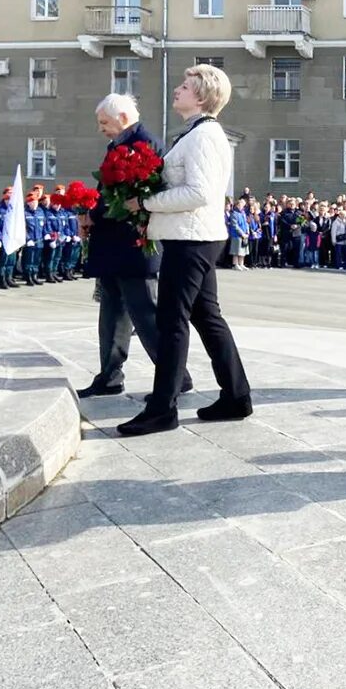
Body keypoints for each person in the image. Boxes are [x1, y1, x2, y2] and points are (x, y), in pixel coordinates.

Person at [117, 64, 251, 436]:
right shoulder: (196, 133)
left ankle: (163, 409)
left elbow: (199, 193)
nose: (178, 89)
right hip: (195, 235)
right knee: (207, 317)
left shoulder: (204, 136)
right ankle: (236, 395)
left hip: (192, 238)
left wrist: (145, 204)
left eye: (186, 86)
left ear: (203, 96)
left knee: (171, 322)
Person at [78, 93, 193, 401]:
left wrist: (94, 213)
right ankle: (110, 376)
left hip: (134, 245)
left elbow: (135, 197)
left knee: (147, 315)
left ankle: (176, 377)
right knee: (112, 314)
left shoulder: (144, 144)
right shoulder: (119, 144)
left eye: (105, 122)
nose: (101, 128)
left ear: (124, 118)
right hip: (114, 247)